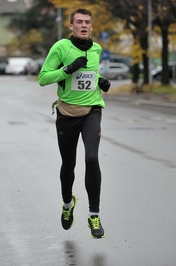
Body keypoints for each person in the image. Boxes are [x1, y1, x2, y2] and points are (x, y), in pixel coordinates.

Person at [38, 8, 110, 239]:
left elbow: (91, 75)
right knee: (68, 164)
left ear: (91, 26)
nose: (84, 25)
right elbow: (43, 78)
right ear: (71, 26)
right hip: (67, 113)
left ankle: (94, 215)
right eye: (79, 22)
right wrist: (68, 68)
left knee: (91, 158)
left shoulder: (97, 48)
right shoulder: (60, 48)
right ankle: (68, 205)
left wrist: (101, 80)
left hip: (92, 111)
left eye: (87, 22)